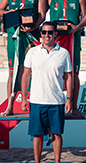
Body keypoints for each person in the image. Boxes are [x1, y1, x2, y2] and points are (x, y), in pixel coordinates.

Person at [0, 0, 47, 116]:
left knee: (33, 70)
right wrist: (8, 12)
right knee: (12, 71)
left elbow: (42, 14)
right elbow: (0, 10)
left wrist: (33, 27)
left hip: (32, 36)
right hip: (15, 36)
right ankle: (10, 106)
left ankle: (33, 104)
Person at [21, 21, 72, 163]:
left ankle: (57, 161)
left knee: (57, 134)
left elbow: (68, 77)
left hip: (57, 101)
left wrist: (69, 98)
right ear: (40, 34)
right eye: (44, 32)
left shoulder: (64, 53)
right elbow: (25, 76)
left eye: (50, 32)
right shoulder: (32, 52)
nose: (47, 35)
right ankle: (37, 161)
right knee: (37, 135)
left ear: (56, 34)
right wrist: (24, 98)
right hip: (37, 100)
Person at [46, 0, 86, 115]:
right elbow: (40, 13)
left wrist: (76, 28)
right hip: (55, 41)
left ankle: (75, 107)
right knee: (53, 72)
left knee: (74, 74)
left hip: (72, 39)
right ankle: (54, 106)